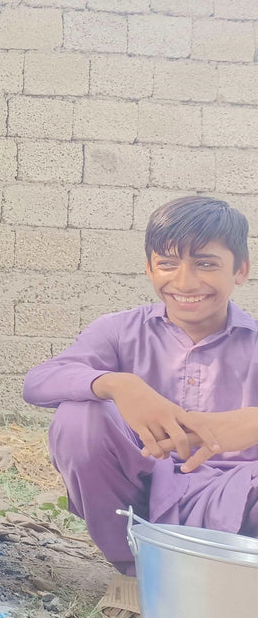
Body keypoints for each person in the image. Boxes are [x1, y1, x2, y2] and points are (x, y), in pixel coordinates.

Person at [24, 196, 258, 591]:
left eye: (205, 263)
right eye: (167, 263)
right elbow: (39, 381)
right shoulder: (119, 330)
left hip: (237, 500)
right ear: (149, 267)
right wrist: (118, 384)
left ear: (241, 270)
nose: (184, 282)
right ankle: (136, 574)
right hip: (142, 490)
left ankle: (231, 579)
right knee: (79, 417)